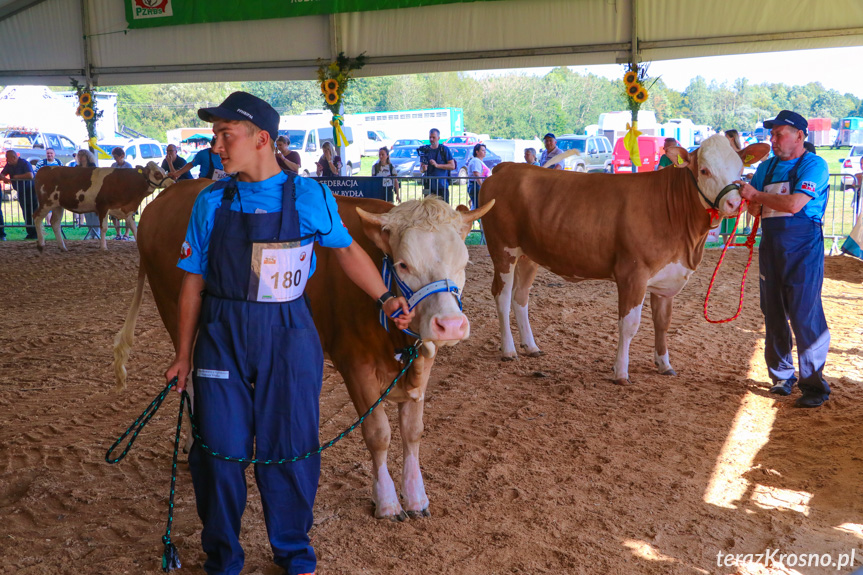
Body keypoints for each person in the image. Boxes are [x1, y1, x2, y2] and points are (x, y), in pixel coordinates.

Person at [163, 91, 414, 575]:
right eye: (215, 135)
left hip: (291, 331)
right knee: (218, 451)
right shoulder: (211, 202)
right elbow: (191, 284)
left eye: (225, 134)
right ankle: (223, 558)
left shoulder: (309, 196)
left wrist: (386, 297)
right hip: (222, 332)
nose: (216, 145)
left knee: (292, 446)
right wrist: (183, 353)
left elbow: (345, 251)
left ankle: (294, 553)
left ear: (261, 139)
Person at [738, 110, 831, 408]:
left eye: (779, 134)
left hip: (804, 248)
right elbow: (754, 208)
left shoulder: (815, 165)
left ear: (800, 136)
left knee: (805, 314)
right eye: (772, 134)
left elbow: (793, 204)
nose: (773, 140)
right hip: (772, 246)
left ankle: (814, 386)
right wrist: (753, 204)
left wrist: (757, 197)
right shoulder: (767, 168)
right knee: (773, 311)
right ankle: (781, 376)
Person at [1, 150, 36, 239]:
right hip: (21, 191)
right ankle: (30, 233)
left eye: (7, 157)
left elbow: (30, 175)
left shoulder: (24, 163)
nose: (6, 159)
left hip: (31, 191)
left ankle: (36, 233)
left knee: (33, 212)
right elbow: (1, 174)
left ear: (14, 157)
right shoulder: (9, 165)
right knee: (25, 212)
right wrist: (5, 178)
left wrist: (16, 177)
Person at [420, 128, 455, 202]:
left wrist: (437, 165)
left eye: (433, 137)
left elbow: (452, 166)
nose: (431, 139)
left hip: (442, 186)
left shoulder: (444, 150)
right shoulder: (425, 150)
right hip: (428, 186)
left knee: (444, 209)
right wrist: (423, 169)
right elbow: (421, 169)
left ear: (438, 138)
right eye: (430, 137)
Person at [110, 147, 135, 240]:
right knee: (113, 213)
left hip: (125, 193)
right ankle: (118, 233)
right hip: (115, 192)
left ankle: (127, 234)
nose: (115, 159)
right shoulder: (113, 165)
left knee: (127, 213)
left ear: (122, 156)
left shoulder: (128, 166)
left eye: (116, 156)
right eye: (114, 157)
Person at [466, 143, 489, 209]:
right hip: (476, 186)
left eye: (485, 150)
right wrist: (482, 186)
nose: (485, 152)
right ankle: (472, 218)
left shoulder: (479, 161)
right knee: (477, 206)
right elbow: (477, 174)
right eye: (482, 150)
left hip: (477, 186)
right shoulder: (475, 161)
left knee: (477, 205)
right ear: (477, 152)